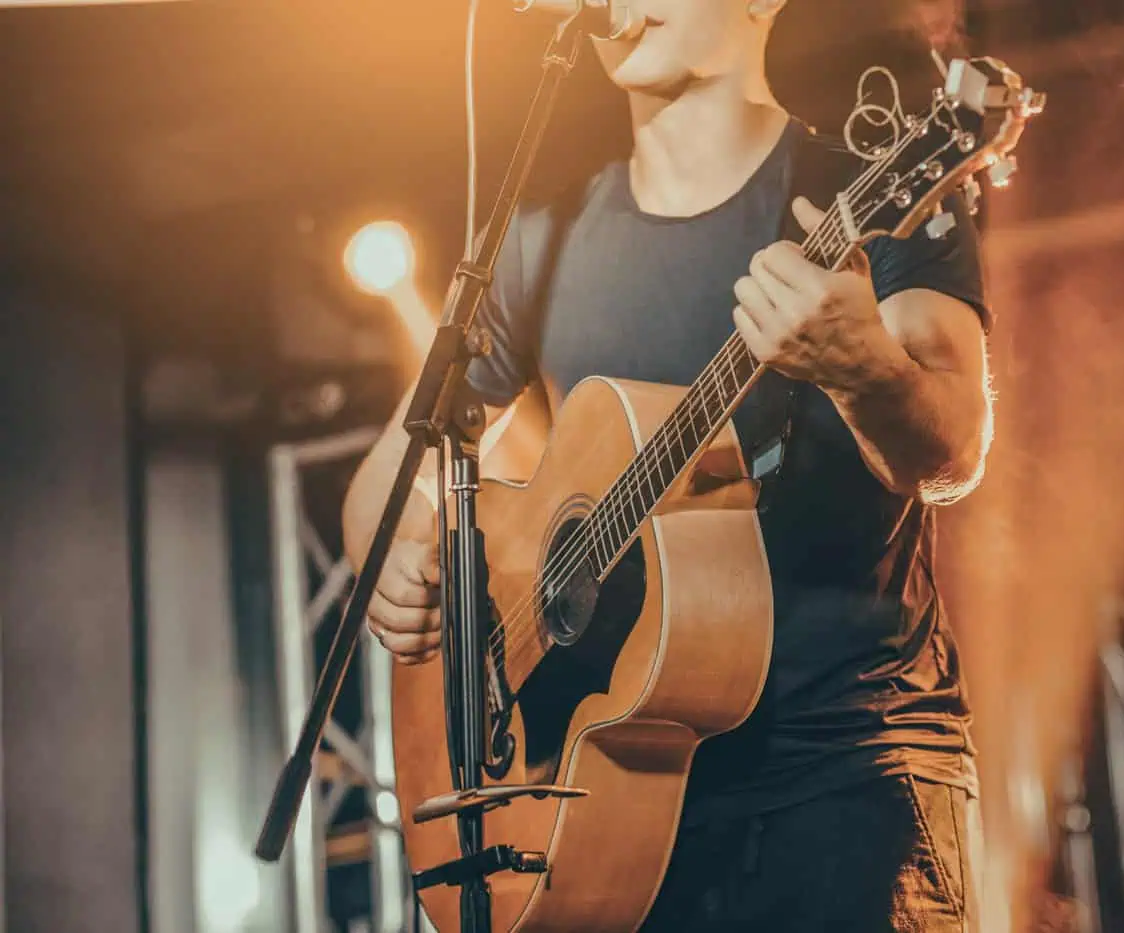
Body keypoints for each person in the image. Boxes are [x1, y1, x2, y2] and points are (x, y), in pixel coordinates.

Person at [342, 1, 993, 930]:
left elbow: (953, 447)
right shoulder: (543, 234)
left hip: (844, 768)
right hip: (610, 797)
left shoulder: (860, 189)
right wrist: (399, 569)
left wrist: (867, 370)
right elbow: (388, 481)